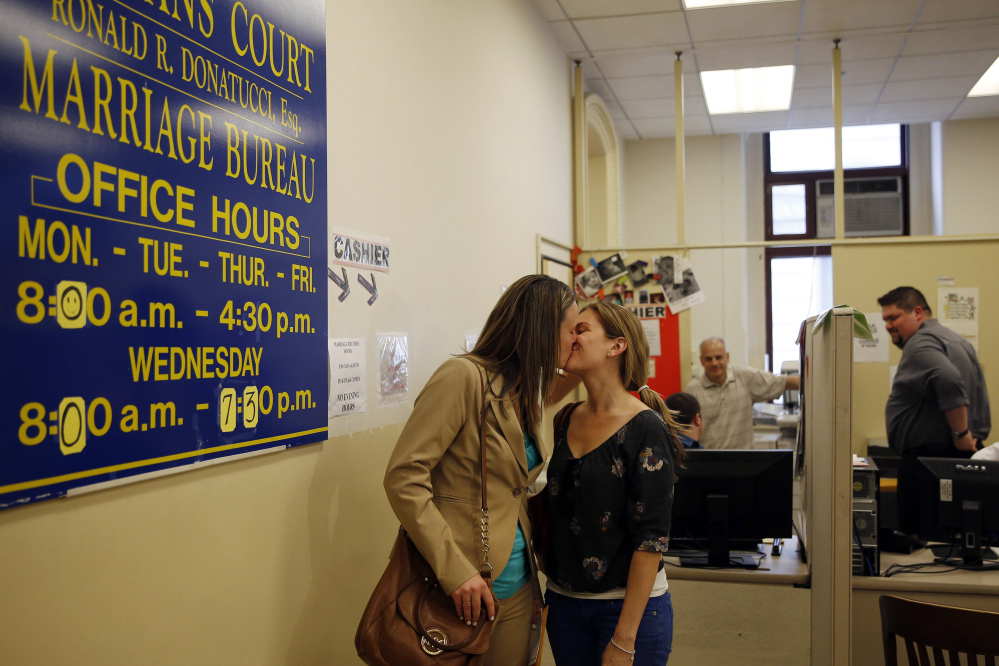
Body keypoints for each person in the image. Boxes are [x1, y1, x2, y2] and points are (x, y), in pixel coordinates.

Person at [384, 275, 578, 666]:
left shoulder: (526, 390)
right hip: (460, 585)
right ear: (542, 327)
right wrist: (455, 572)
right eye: (572, 329)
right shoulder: (462, 376)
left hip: (519, 584)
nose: (575, 339)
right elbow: (404, 477)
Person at [543, 301, 684, 666]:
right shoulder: (565, 418)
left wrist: (624, 638)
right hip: (564, 605)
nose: (571, 338)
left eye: (582, 330)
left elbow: (651, 539)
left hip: (628, 611)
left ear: (616, 346)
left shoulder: (645, 426)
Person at [878, 286, 991, 534]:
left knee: (923, 549)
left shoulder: (918, 344)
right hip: (958, 461)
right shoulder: (955, 340)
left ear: (917, 313)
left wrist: (960, 435)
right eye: (885, 319)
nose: (888, 325)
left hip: (931, 466)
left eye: (893, 317)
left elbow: (948, 379)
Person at [683, 337, 799, 449]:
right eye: (709, 359)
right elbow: (684, 433)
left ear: (727, 357)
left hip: (744, 462)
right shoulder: (693, 390)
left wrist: (810, 380)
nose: (714, 363)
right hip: (709, 463)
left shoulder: (745, 377)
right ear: (701, 360)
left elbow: (781, 382)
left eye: (718, 357)